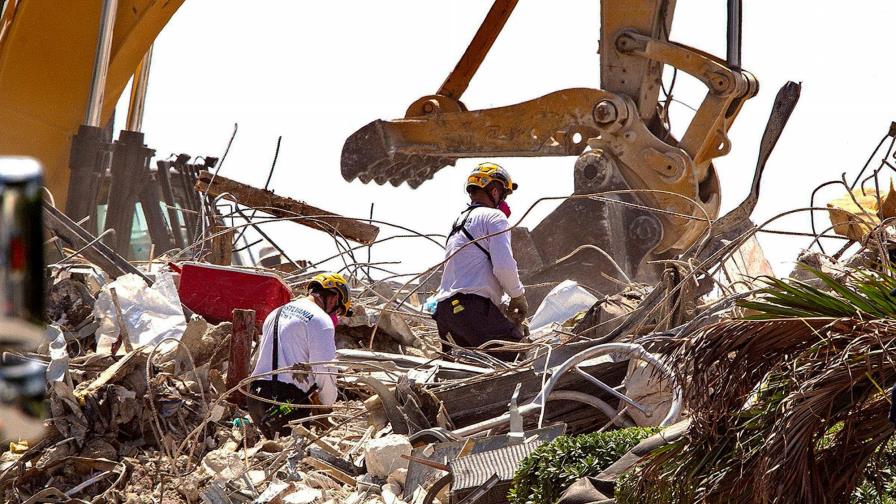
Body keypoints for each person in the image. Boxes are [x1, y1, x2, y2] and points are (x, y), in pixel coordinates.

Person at [432, 162, 529, 353]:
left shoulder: (459, 223)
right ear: (494, 192)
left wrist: (500, 308)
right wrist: (518, 296)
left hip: (445, 313)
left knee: (464, 372)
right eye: (504, 195)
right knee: (516, 354)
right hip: (470, 308)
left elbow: (470, 277)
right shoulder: (495, 217)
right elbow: (503, 267)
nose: (504, 201)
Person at [246, 272, 352, 438]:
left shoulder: (277, 312)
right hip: (285, 402)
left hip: (255, 396)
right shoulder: (320, 320)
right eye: (338, 310)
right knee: (296, 459)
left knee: (273, 455)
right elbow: (325, 369)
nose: (334, 316)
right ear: (333, 298)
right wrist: (328, 402)